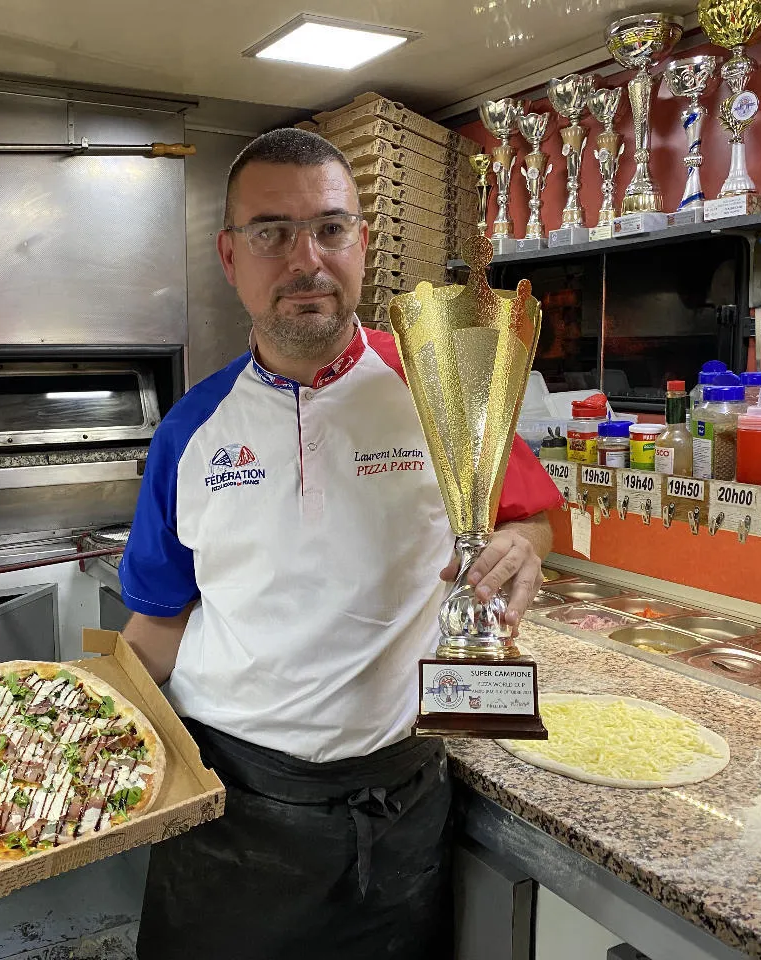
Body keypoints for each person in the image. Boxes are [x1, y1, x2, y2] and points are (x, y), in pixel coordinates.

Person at [119, 128, 563, 960]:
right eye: (271, 232)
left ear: (362, 243)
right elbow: (157, 630)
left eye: (330, 228)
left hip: (393, 810)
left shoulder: (442, 385)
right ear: (230, 256)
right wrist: (72, 724)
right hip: (228, 806)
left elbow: (528, 515)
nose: (306, 260)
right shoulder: (189, 433)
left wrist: (521, 543)